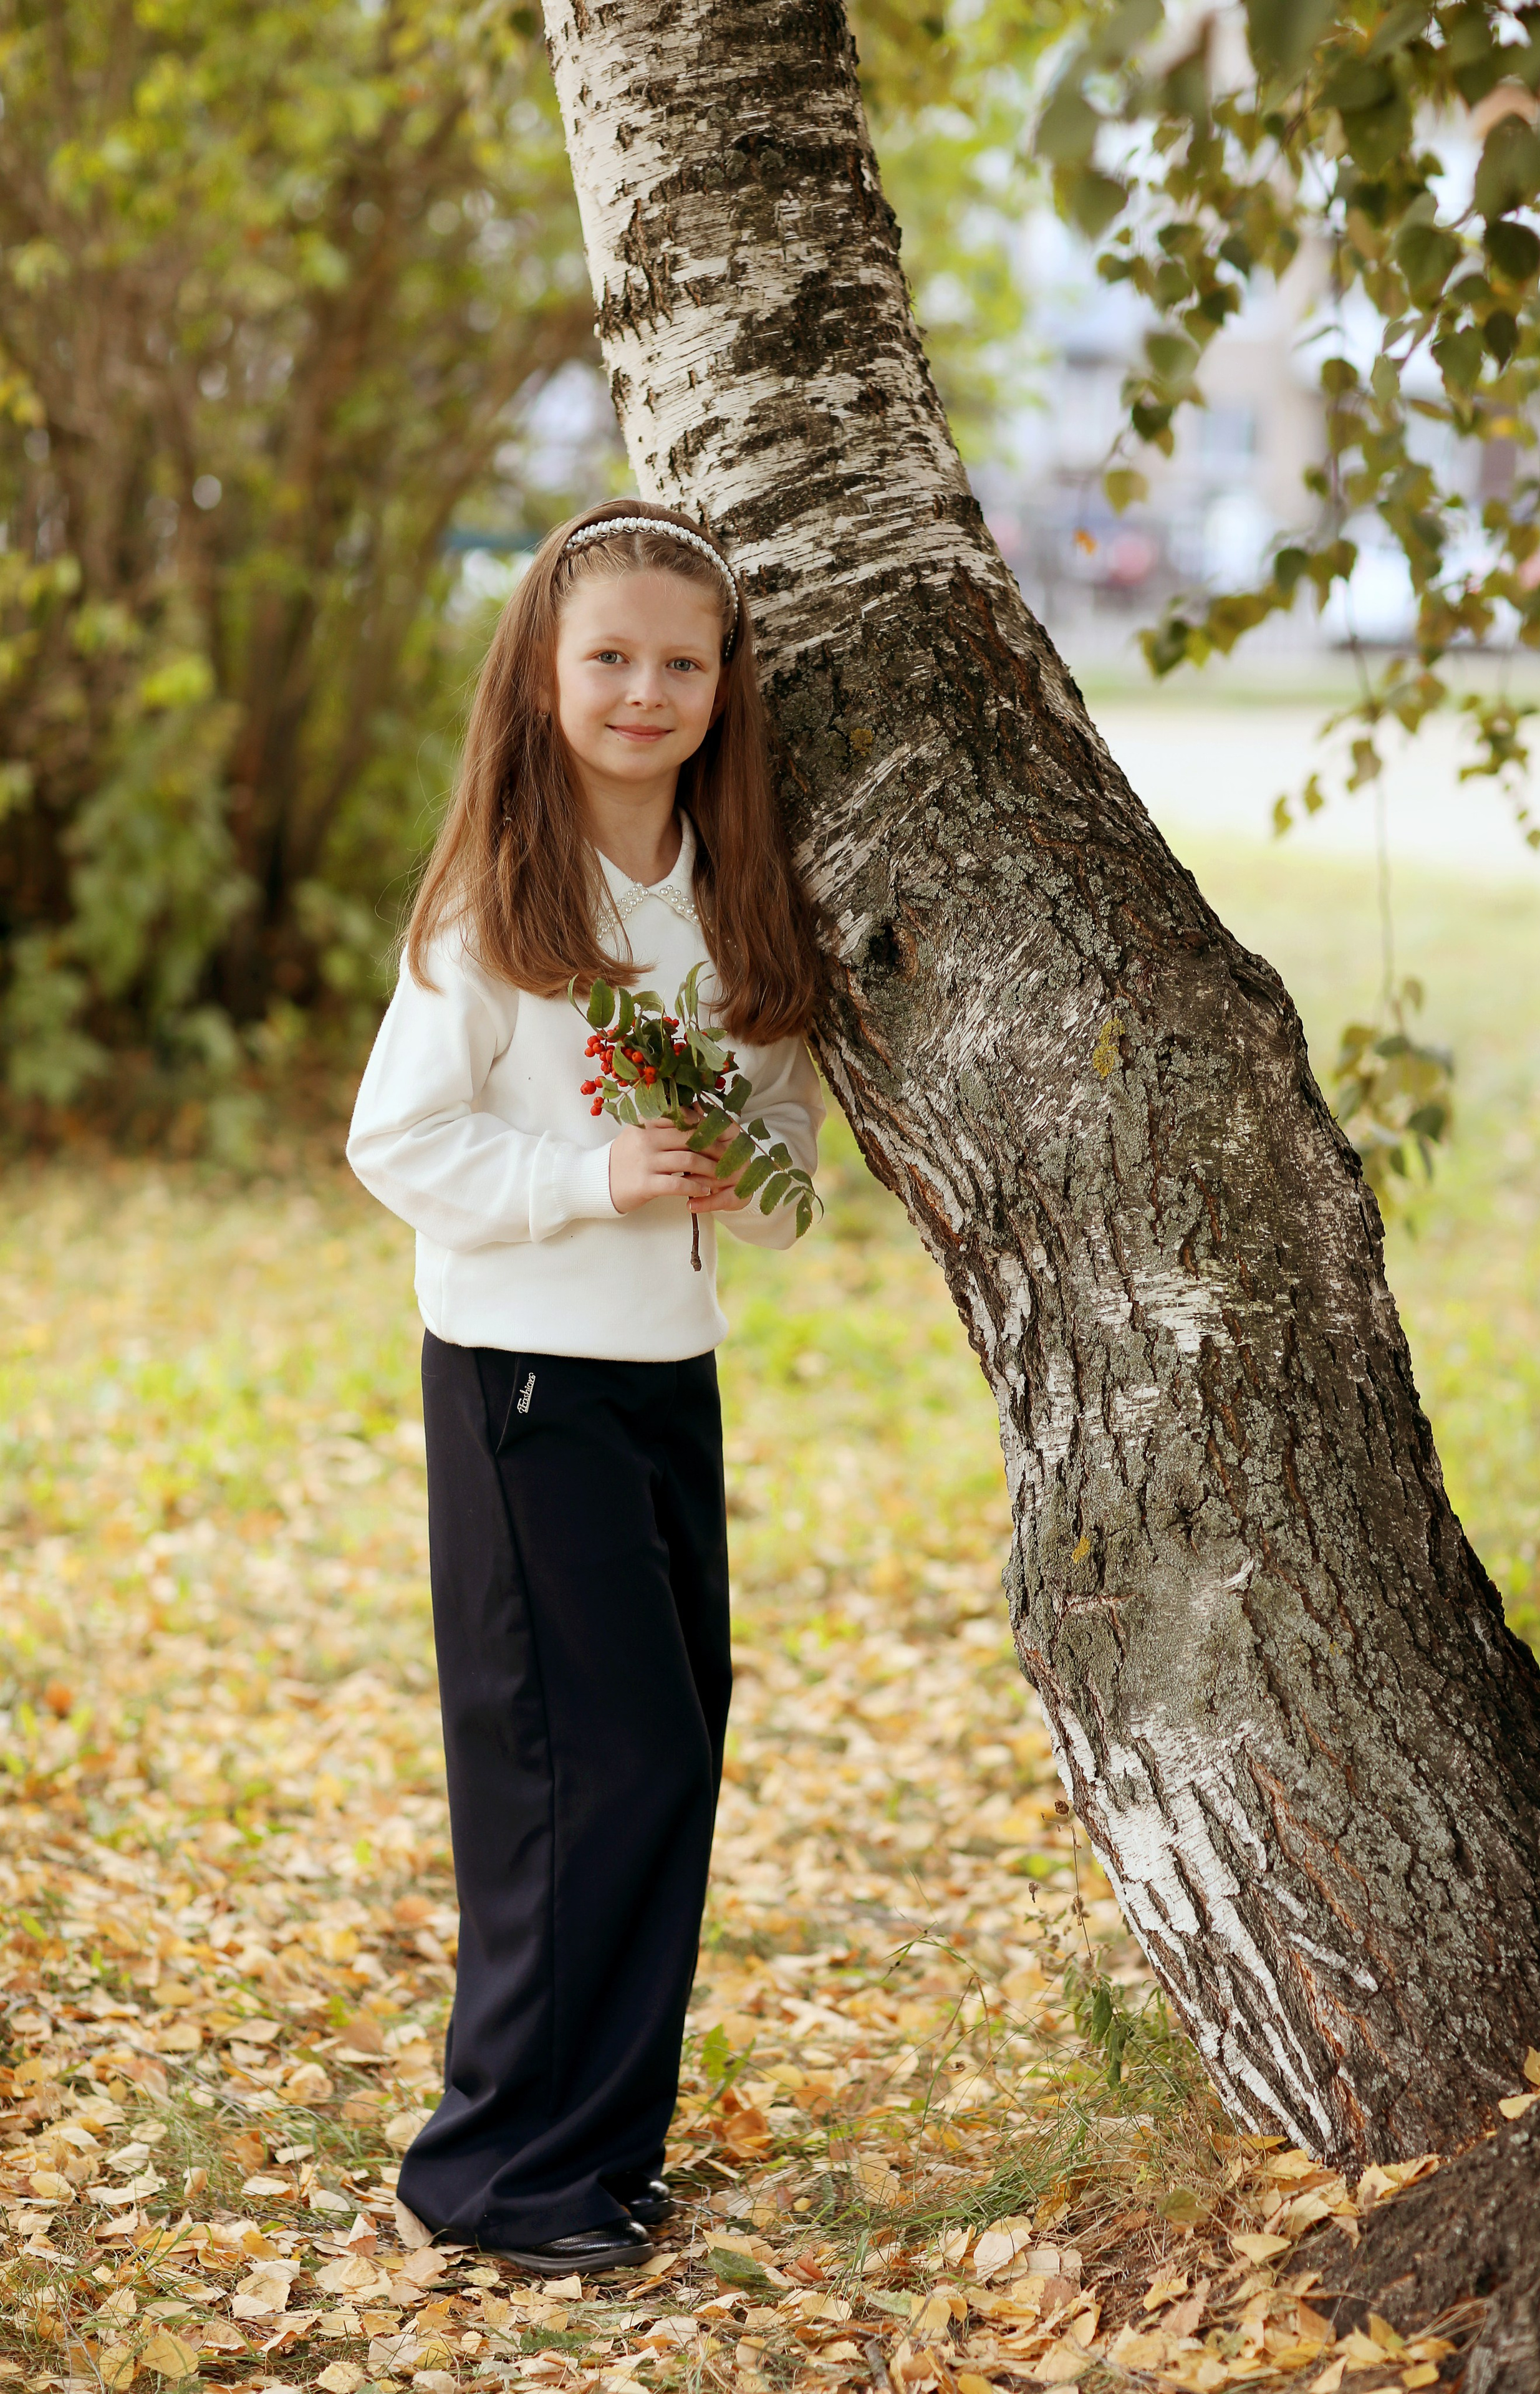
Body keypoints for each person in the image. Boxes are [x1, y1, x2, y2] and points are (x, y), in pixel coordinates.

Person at [347, 500, 825, 2276]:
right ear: (544, 676)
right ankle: (493, 2168)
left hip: (663, 1379)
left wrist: (738, 1170)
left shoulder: (732, 890)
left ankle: (603, 2149)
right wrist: (588, 1180)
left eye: (680, 662)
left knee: (674, 1745)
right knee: (578, 1766)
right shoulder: (498, 900)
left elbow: (779, 1139)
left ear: (724, 685)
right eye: (609, 657)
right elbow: (395, 1137)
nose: (645, 690)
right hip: (522, 1380)